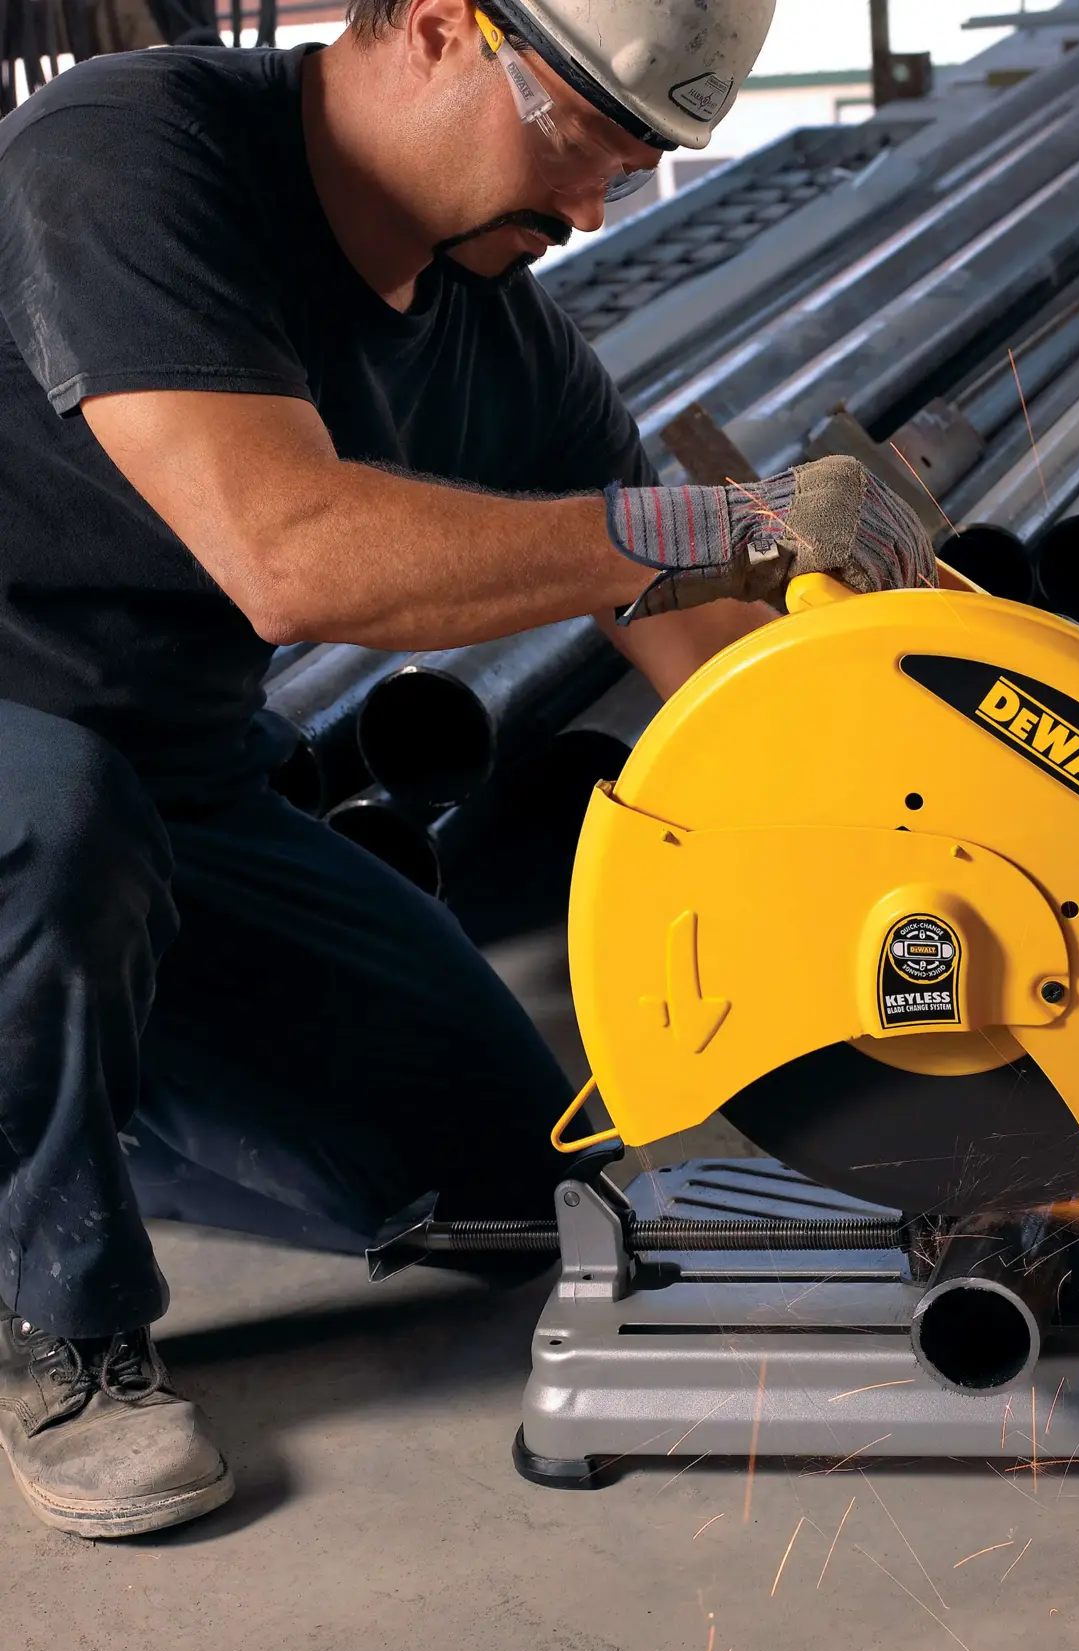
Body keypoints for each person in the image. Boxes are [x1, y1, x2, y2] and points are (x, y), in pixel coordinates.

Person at [0, 0, 936, 1540]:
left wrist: (926, 808)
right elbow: (288, 555)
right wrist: (702, 526)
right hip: (34, 778)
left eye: (632, 169)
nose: (594, 210)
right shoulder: (123, 157)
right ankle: (60, 1326)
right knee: (56, 824)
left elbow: (699, 649)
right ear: (442, 26)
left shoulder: (496, 337)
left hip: (174, 777)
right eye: (582, 144)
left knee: (508, 1181)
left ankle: (55, 1102)